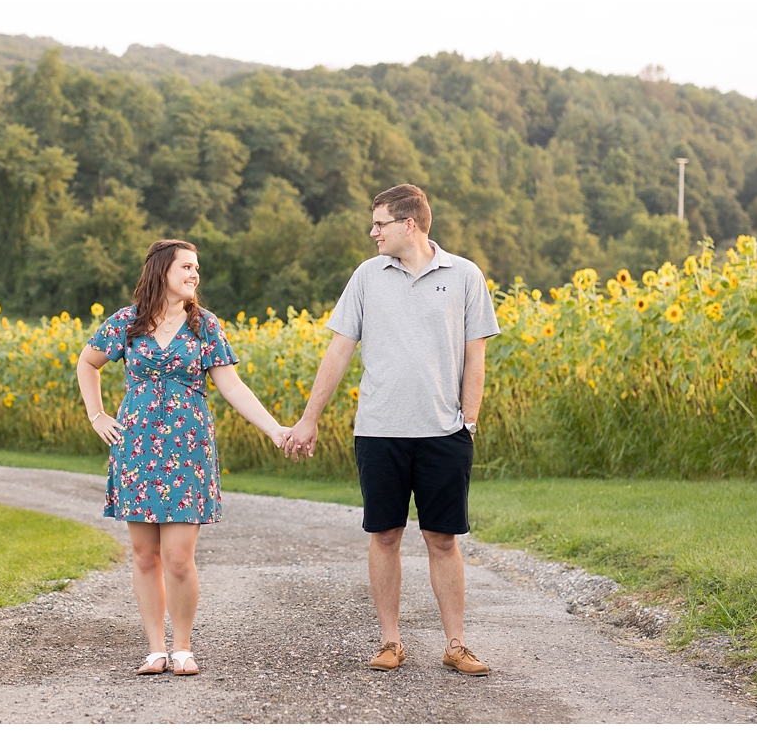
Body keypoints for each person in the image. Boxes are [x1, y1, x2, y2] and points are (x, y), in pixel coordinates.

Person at [283, 184, 499, 675]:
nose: (372, 231)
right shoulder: (366, 276)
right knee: (385, 534)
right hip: (379, 431)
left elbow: (475, 357)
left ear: (410, 224)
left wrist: (468, 421)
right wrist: (309, 418)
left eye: (380, 223)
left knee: (443, 539)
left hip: (444, 434)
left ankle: (457, 644)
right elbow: (338, 351)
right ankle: (390, 641)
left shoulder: (465, 275)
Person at [77, 239, 290, 676]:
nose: (195, 275)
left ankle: (182, 647)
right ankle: (155, 648)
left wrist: (274, 429)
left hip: (187, 448)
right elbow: (88, 362)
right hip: (136, 447)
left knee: (177, 557)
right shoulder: (127, 322)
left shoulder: (204, 326)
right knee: (143, 555)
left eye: (197, 269)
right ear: (162, 272)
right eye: (187, 267)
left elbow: (232, 387)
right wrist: (96, 414)